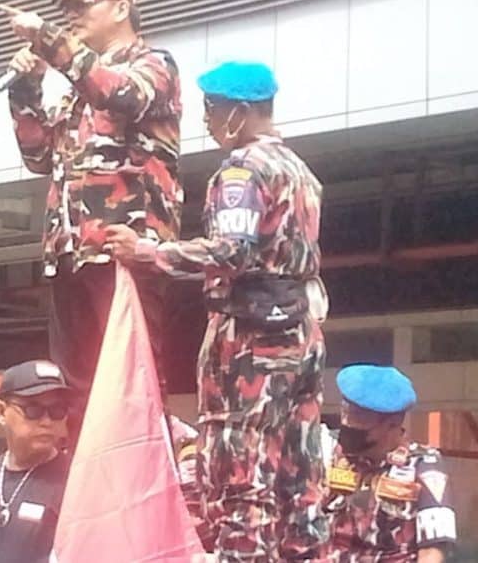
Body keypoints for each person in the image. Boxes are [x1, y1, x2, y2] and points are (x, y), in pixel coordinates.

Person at [107, 62, 328, 560]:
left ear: (240, 111)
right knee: (298, 477)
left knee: (238, 477)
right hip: (300, 334)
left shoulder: (242, 170)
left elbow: (231, 251)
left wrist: (150, 252)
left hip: (250, 341)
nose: (206, 119)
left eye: (213, 108)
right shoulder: (301, 172)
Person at [0, 0, 183, 443]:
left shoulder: (154, 66)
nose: (74, 16)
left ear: (122, 7)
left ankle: (140, 492)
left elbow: (121, 96)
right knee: (75, 386)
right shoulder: (76, 96)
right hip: (70, 253)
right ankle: (86, 492)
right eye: (68, 11)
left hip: (124, 248)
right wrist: (25, 89)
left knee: (131, 377)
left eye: (85, 5)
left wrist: (49, 38)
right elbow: (39, 156)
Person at [323, 365, 456, 562]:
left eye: (359, 417)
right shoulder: (329, 451)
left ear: (392, 423)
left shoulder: (424, 465)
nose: (348, 422)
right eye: (345, 411)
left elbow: (433, 551)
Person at [0, 360, 71, 563]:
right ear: (1, 412)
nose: (46, 421)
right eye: (33, 410)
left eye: (57, 410)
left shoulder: (75, 481)